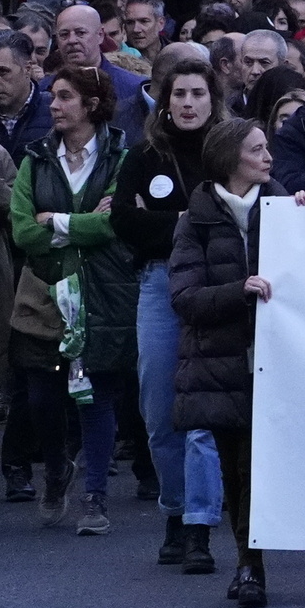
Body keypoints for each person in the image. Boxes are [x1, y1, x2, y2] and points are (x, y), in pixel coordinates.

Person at [10, 64, 138, 533]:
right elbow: (23, 230)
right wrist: (80, 226)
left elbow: (114, 222)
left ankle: (94, 498)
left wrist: (57, 222)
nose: (54, 105)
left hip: (100, 294)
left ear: (91, 104)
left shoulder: (122, 156)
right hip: (44, 296)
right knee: (43, 398)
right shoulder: (35, 158)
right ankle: (58, 468)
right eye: (53, 97)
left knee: (96, 398)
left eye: (64, 97)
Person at [168, 117, 277, 608]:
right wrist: (240, 291)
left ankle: (251, 565)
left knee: (255, 466)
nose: (268, 157)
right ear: (232, 159)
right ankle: (246, 561)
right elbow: (185, 298)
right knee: (235, 468)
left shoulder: (287, 208)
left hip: (277, 364)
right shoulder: (195, 221)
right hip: (221, 364)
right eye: (257, 150)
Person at [113, 46, 215, 566]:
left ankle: (198, 523)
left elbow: (247, 211)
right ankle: (174, 508)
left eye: (199, 93)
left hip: (218, 287)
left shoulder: (228, 150)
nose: (189, 103)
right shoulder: (142, 155)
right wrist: (187, 221)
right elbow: (123, 223)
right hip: (158, 284)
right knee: (159, 408)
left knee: (204, 411)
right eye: (180, 94)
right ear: (164, 100)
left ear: (212, 99)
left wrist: (167, 218)